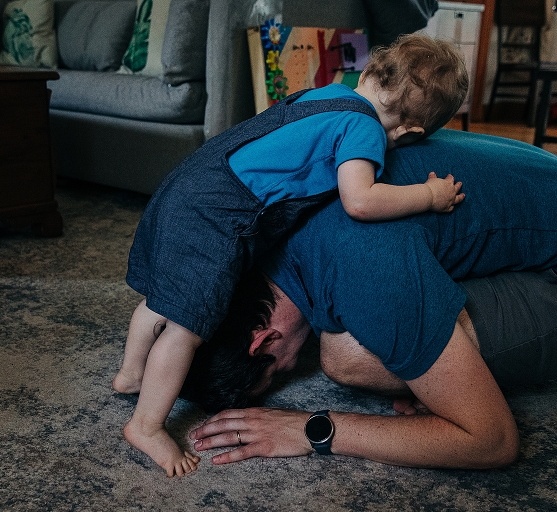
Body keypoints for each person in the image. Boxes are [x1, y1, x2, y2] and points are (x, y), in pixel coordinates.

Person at [183, 129, 557, 469]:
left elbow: (491, 442)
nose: (292, 370)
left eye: (279, 373)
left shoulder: (361, 266)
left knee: (350, 356)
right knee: (376, 331)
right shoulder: (265, 218)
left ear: (264, 340)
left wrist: (307, 429)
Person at [111, 34, 469, 477]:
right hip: (220, 214)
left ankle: (131, 374)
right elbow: (360, 200)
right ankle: (146, 424)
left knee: (160, 298)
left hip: (189, 186)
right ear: (412, 131)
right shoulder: (365, 127)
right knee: (187, 327)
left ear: (372, 74)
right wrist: (429, 195)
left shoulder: (328, 94)